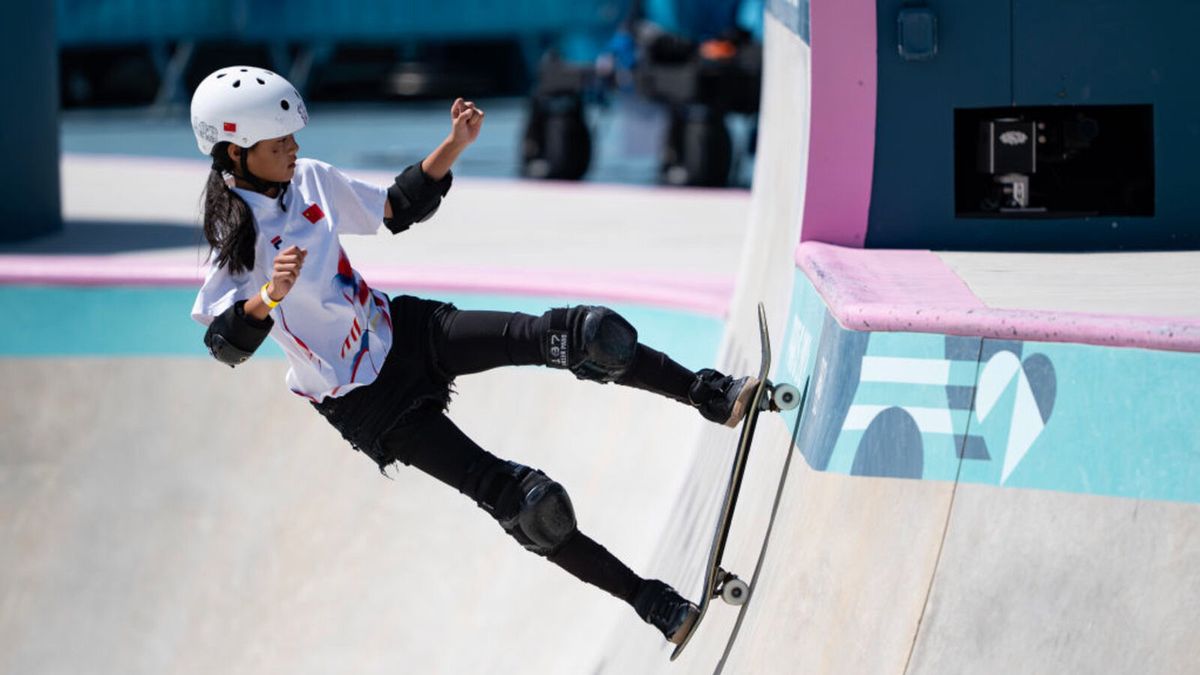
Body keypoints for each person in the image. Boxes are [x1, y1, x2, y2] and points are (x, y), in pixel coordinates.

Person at [188, 66, 757, 644]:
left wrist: (454, 146)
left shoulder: (310, 179)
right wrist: (267, 297)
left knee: (580, 335)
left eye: (292, 138)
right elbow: (223, 344)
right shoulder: (236, 240)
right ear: (236, 152)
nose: (294, 149)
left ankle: (710, 393)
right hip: (366, 402)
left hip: (400, 331)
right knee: (527, 504)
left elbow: (394, 208)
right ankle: (653, 602)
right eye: (279, 143)